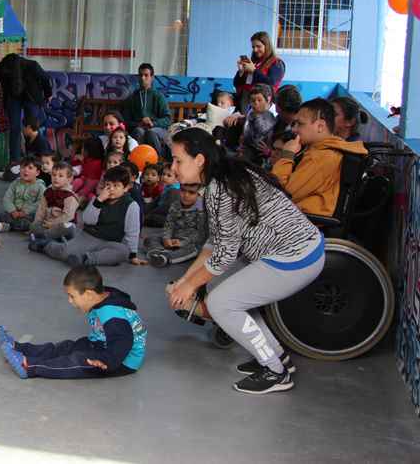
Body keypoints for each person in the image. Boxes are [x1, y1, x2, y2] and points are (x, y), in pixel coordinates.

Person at [167, 127, 325, 395]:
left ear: (200, 160)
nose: (173, 168)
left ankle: (275, 372)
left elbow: (225, 256)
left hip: (294, 258)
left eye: (178, 160)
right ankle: (276, 356)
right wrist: (185, 281)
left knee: (221, 302)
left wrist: (190, 287)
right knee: (221, 291)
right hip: (297, 251)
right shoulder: (222, 177)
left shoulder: (220, 190)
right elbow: (215, 243)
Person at [0, 264, 146, 380]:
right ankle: (19, 348)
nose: (69, 301)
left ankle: (29, 366)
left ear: (88, 294)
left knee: (76, 361)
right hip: (102, 344)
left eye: (72, 296)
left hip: (120, 361)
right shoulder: (102, 295)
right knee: (67, 347)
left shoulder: (111, 314)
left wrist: (107, 361)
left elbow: (123, 341)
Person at [271, 98, 368, 217]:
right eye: (294, 124)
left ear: (320, 126)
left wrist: (286, 156)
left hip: (305, 223)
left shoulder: (321, 156)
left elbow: (280, 196)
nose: (294, 129)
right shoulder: (322, 149)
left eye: (300, 124)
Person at [43, 166, 142, 267]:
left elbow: (132, 231)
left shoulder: (131, 205)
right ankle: (45, 245)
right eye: (108, 185)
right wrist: (98, 202)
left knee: (124, 252)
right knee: (65, 253)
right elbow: (87, 219)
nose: (111, 189)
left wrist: (133, 255)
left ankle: (85, 259)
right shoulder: (98, 199)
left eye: (116, 186)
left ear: (125, 188)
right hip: (90, 236)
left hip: (110, 242)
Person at [0, 52, 53, 172]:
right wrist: (48, 94)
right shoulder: (28, 65)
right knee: (25, 128)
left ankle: (20, 160)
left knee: (21, 128)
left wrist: (48, 94)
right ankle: (23, 160)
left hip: (26, 97)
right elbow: (46, 78)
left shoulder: (12, 67)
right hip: (23, 97)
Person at [144, 183, 207, 268]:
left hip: (190, 243)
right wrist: (166, 238)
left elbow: (201, 234)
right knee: (150, 239)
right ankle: (159, 252)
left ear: (199, 195)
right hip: (173, 239)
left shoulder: (201, 210)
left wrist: (182, 243)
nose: (186, 195)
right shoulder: (175, 205)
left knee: (194, 249)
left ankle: (166, 257)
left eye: (191, 192)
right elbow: (169, 224)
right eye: (183, 191)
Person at [120, 63, 172, 156]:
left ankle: (157, 161)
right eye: (140, 75)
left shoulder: (158, 96)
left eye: (146, 75)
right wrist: (139, 123)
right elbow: (126, 121)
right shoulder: (132, 98)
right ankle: (136, 161)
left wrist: (153, 123)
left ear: (152, 77)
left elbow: (168, 119)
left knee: (150, 132)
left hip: (156, 129)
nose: (143, 78)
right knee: (138, 131)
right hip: (138, 128)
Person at [27, 162, 80, 250]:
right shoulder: (47, 192)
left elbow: (68, 216)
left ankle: (43, 238)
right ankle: (48, 239)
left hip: (61, 225)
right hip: (47, 223)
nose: (56, 178)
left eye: (60, 176)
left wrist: (53, 224)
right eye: (54, 175)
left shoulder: (69, 196)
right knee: (33, 226)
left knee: (68, 227)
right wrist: (37, 222)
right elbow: (41, 210)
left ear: (69, 179)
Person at [233, 31, 285, 112]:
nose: (255, 50)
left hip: (262, 103)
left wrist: (254, 71)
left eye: (258, 46)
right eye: (253, 47)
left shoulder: (277, 63)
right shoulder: (254, 62)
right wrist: (241, 72)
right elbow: (237, 84)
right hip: (245, 100)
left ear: (267, 46)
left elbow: (271, 82)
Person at [0, 155, 46, 232]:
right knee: (1, 216)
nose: (25, 170)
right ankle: (12, 226)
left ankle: (9, 227)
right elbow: (7, 198)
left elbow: (40, 203)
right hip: (14, 213)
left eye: (30, 168)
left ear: (37, 173)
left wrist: (25, 212)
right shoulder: (15, 183)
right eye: (23, 167)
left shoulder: (40, 186)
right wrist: (12, 211)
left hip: (29, 215)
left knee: (29, 222)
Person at [239, 84, 277, 166]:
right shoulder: (252, 112)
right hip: (250, 150)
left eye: (259, 100)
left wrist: (269, 151)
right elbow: (246, 131)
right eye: (253, 101)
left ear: (268, 99)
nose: (256, 104)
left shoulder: (275, 115)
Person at [71, 135, 104, 206]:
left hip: (92, 183)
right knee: (77, 182)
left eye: (83, 148)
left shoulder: (97, 163)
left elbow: (92, 181)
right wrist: (76, 160)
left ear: (89, 150)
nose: (81, 150)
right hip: (84, 180)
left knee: (87, 194)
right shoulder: (86, 159)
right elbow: (76, 168)